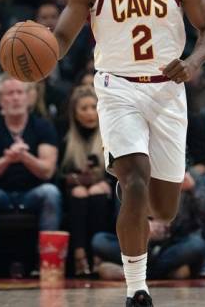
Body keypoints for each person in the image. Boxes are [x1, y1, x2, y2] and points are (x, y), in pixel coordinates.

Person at [51, 0, 205, 305]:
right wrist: (32, 55)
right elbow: (59, 42)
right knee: (136, 179)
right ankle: (136, 289)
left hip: (167, 91)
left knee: (163, 209)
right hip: (116, 87)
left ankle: (129, 192)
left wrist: (193, 62)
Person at [0, 74, 61, 280]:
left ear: (29, 97)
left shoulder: (43, 127)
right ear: (1, 99)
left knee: (51, 192)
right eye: (10, 93)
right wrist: (8, 159)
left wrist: (25, 157)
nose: (15, 98)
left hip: (32, 191)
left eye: (20, 92)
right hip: (0, 192)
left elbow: (47, 171)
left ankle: (46, 259)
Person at [59, 86, 113, 276]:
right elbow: (59, 175)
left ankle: (98, 256)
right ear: (75, 113)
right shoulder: (66, 138)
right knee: (80, 193)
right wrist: (77, 179)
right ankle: (79, 255)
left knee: (97, 192)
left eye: (94, 107)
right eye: (84, 108)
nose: (90, 113)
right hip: (75, 190)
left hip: (104, 189)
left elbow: (117, 172)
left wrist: (103, 182)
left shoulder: (110, 135)